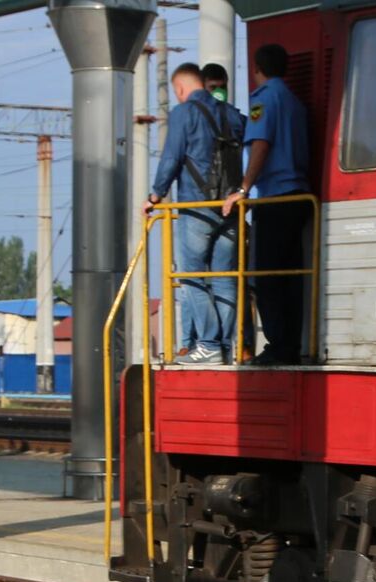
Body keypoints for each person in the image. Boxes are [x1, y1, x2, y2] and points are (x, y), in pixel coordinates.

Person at [149, 61, 246, 365]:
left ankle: (208, 345)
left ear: (180, 88)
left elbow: (172, 157)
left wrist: (155, 195)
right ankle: (227, 348)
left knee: (192, 277)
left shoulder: (183, 113)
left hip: (196, 207)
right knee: (224, 279)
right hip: (232, 208)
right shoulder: (232, 114)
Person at [222, 43, 311, 365]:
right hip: (300, 198)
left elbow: (261, 143)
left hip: (275, 197)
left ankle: (277, 345)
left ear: (257, 68)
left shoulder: (263, 100)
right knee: (292, 276)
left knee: (266, 275)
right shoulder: (295, 103)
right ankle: (291, 344)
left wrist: (243, 188)